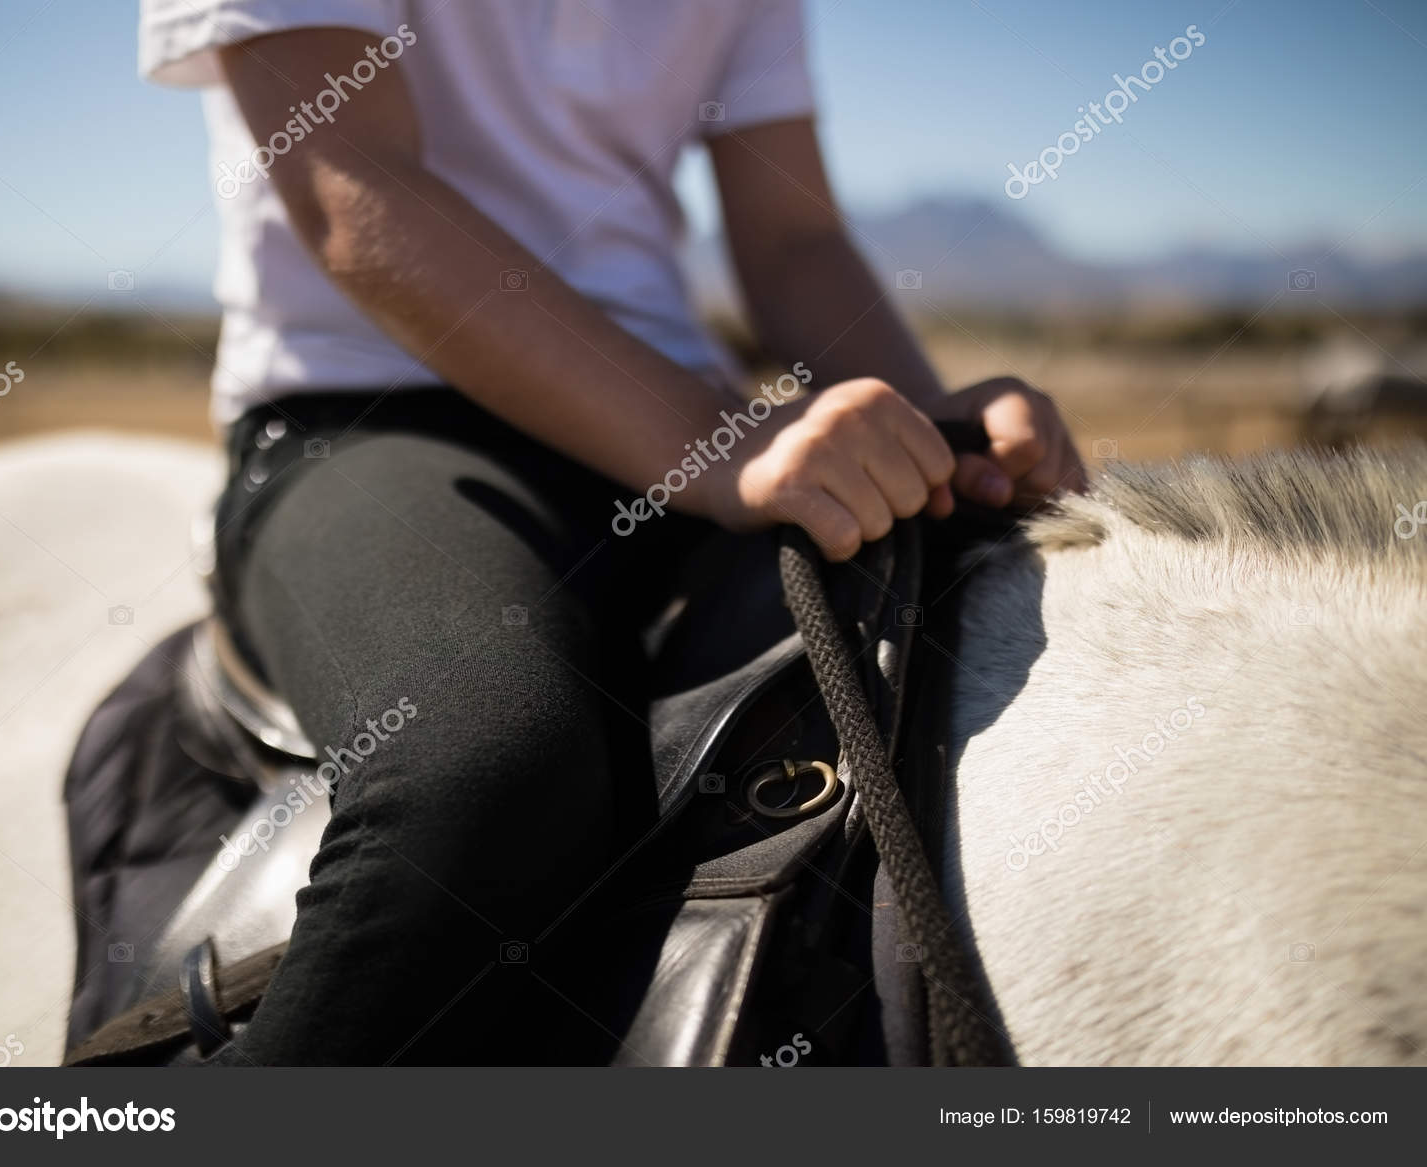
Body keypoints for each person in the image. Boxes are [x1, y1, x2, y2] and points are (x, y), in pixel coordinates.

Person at [138, 0, 1085, 1064]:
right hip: (372, 413)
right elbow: (354, 186)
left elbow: (793, 239)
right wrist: (711, 445)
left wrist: (931, 433)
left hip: (678, 419)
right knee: (485, 775)